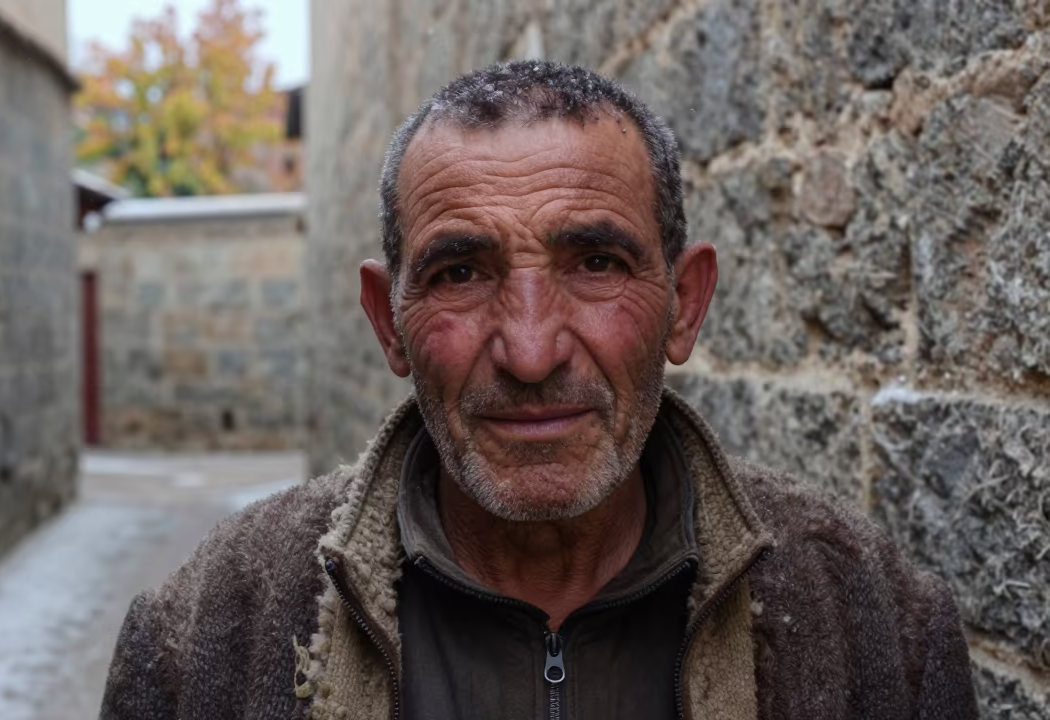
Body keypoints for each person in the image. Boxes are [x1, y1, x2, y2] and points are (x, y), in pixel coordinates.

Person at [99, 61, 977, 720]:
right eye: (460, 273)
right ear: (387, 321)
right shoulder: (210, 635)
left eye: (595, 264)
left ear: (685, 304)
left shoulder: (873, 628)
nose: (529, 351)